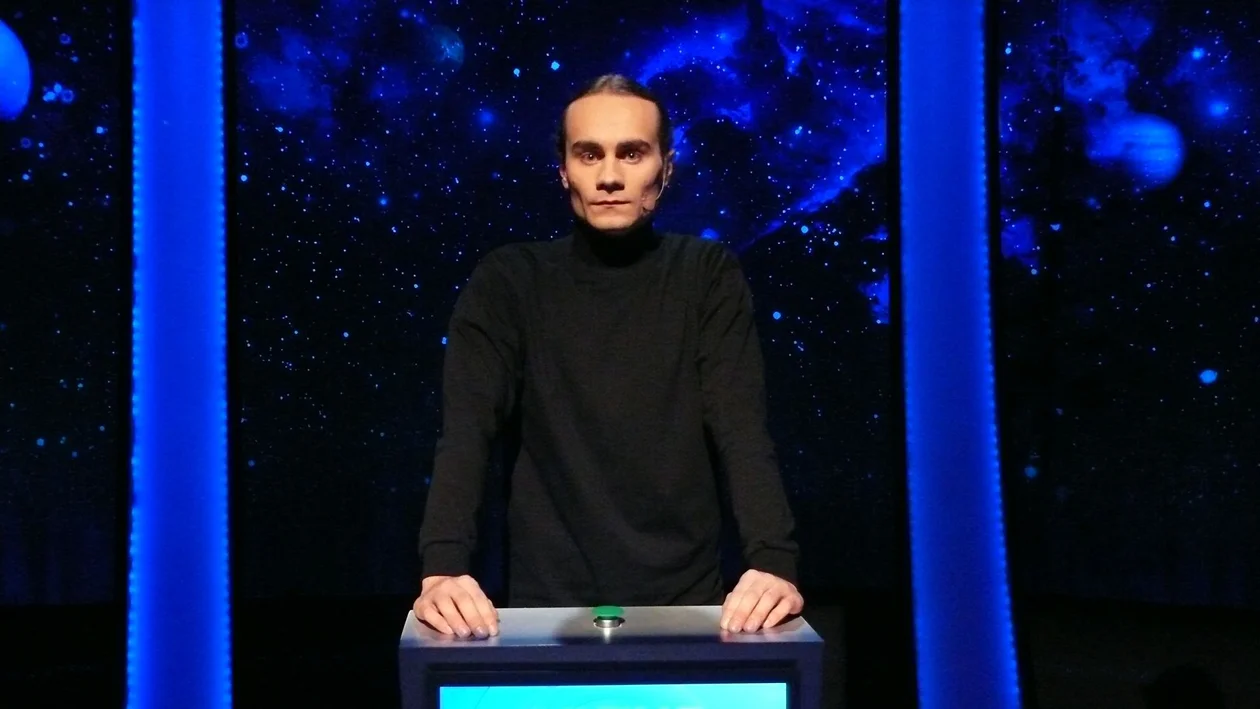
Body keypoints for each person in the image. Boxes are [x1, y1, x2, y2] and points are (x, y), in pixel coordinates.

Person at [412, 74, 803, 640]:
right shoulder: (511, 281)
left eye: (632, 153)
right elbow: (467, 432)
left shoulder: (706, 275)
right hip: (545, 611)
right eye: (589, 154)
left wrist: (773, 563)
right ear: (563, 170)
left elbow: (740, 428)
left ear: (666, 169)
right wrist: (442, 569)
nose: (611, 176)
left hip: (685, 607)